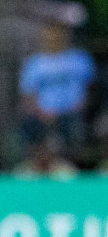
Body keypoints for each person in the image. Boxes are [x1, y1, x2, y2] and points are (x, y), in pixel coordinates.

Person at [18, 22, 95, 161]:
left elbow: (91, 91)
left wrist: (77, 107)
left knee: (74, 126)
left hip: (74, 113)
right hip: (42, 115)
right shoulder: (34, 63)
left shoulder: (80, 59)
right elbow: (28, 94)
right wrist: (41, 112)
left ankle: (72, 164)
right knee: (30, 126)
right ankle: (39, 165)